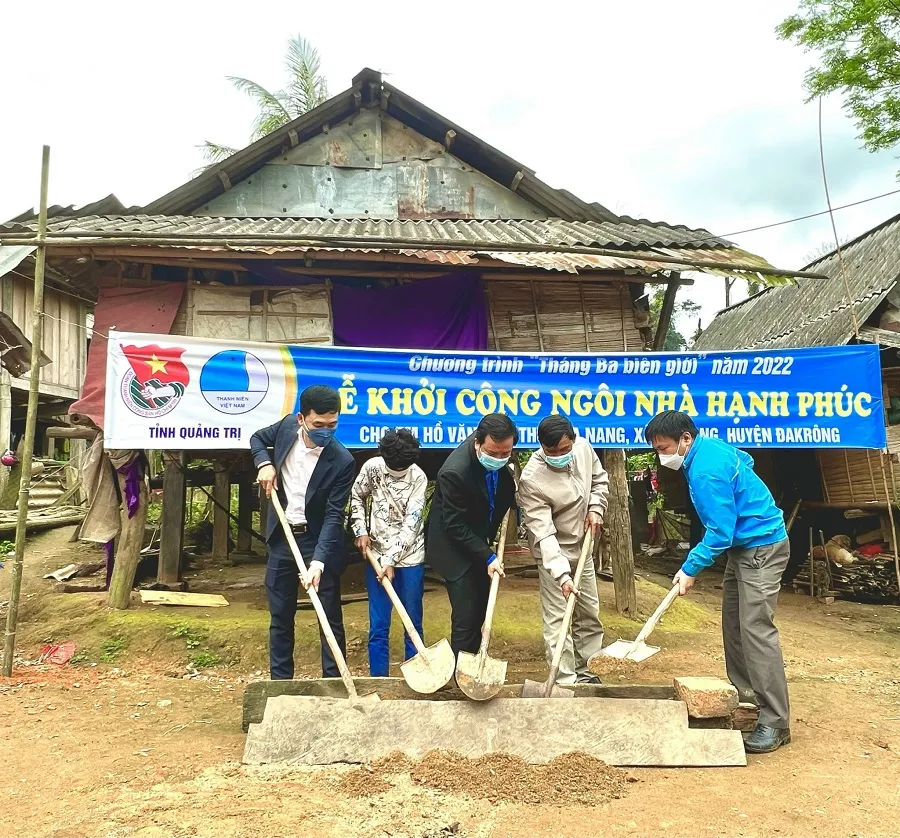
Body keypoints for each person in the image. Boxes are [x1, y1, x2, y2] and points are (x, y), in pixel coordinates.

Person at [644, 410, 791, 754]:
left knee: (755, 631)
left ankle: (775, 722)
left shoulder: (707, 468)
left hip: (761, 547)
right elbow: (746, 460)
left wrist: (691, 567)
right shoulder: (709, 451)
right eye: (657, 449)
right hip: (744, 547)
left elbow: (720, 531)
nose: (661, 456)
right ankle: (749, 700)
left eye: (664, 447)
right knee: (734, 627)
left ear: (685, 439)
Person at [251, 384, 355, 680]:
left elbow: (335, 516)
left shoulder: (342, 461)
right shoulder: (285, 429)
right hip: (282, 537)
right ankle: (280, 685)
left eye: (332, 424)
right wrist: (265, 463)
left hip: (317, 540)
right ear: (301, 419)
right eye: (318, 425)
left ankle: (335, 683)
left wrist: (318, 562)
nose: (326, 431)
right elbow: (257, 439)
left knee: (329, 617)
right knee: (281, 616)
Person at [518, 415, 608, 684]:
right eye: (551, 452)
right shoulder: (532, 479)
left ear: (574, 440)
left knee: (589, 614)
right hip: (553, 557)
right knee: (559, 621)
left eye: (564, 449)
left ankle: (589, 674)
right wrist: (561, 575)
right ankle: (565, 682)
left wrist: (595, 508)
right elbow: (543, 533)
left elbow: (599, 480)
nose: (558, 455)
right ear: (541, 447)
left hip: (584, 548)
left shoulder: (583, 449)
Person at [426, 413, 517, 656]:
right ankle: (461, 675)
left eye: (504, 453)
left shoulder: (501, 449)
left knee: (481, 608)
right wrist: (487, 556)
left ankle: (475, 661)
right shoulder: (454, 473)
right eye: (494, 453)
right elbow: (455, 526)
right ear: (478, 443)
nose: (499, 458)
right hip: (452, 547)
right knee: (466, 615)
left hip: (478, 539)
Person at [350, 429, 428, 676]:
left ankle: (415, 680)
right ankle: (379, 680)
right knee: (379, 626)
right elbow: (356, 497)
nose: (397, 471)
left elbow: (412, 524)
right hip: (376, 558)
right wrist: (360, 530)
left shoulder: (418, 477)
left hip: (410, 558)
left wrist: (392, 560)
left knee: (412, 622)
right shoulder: (372, 468)